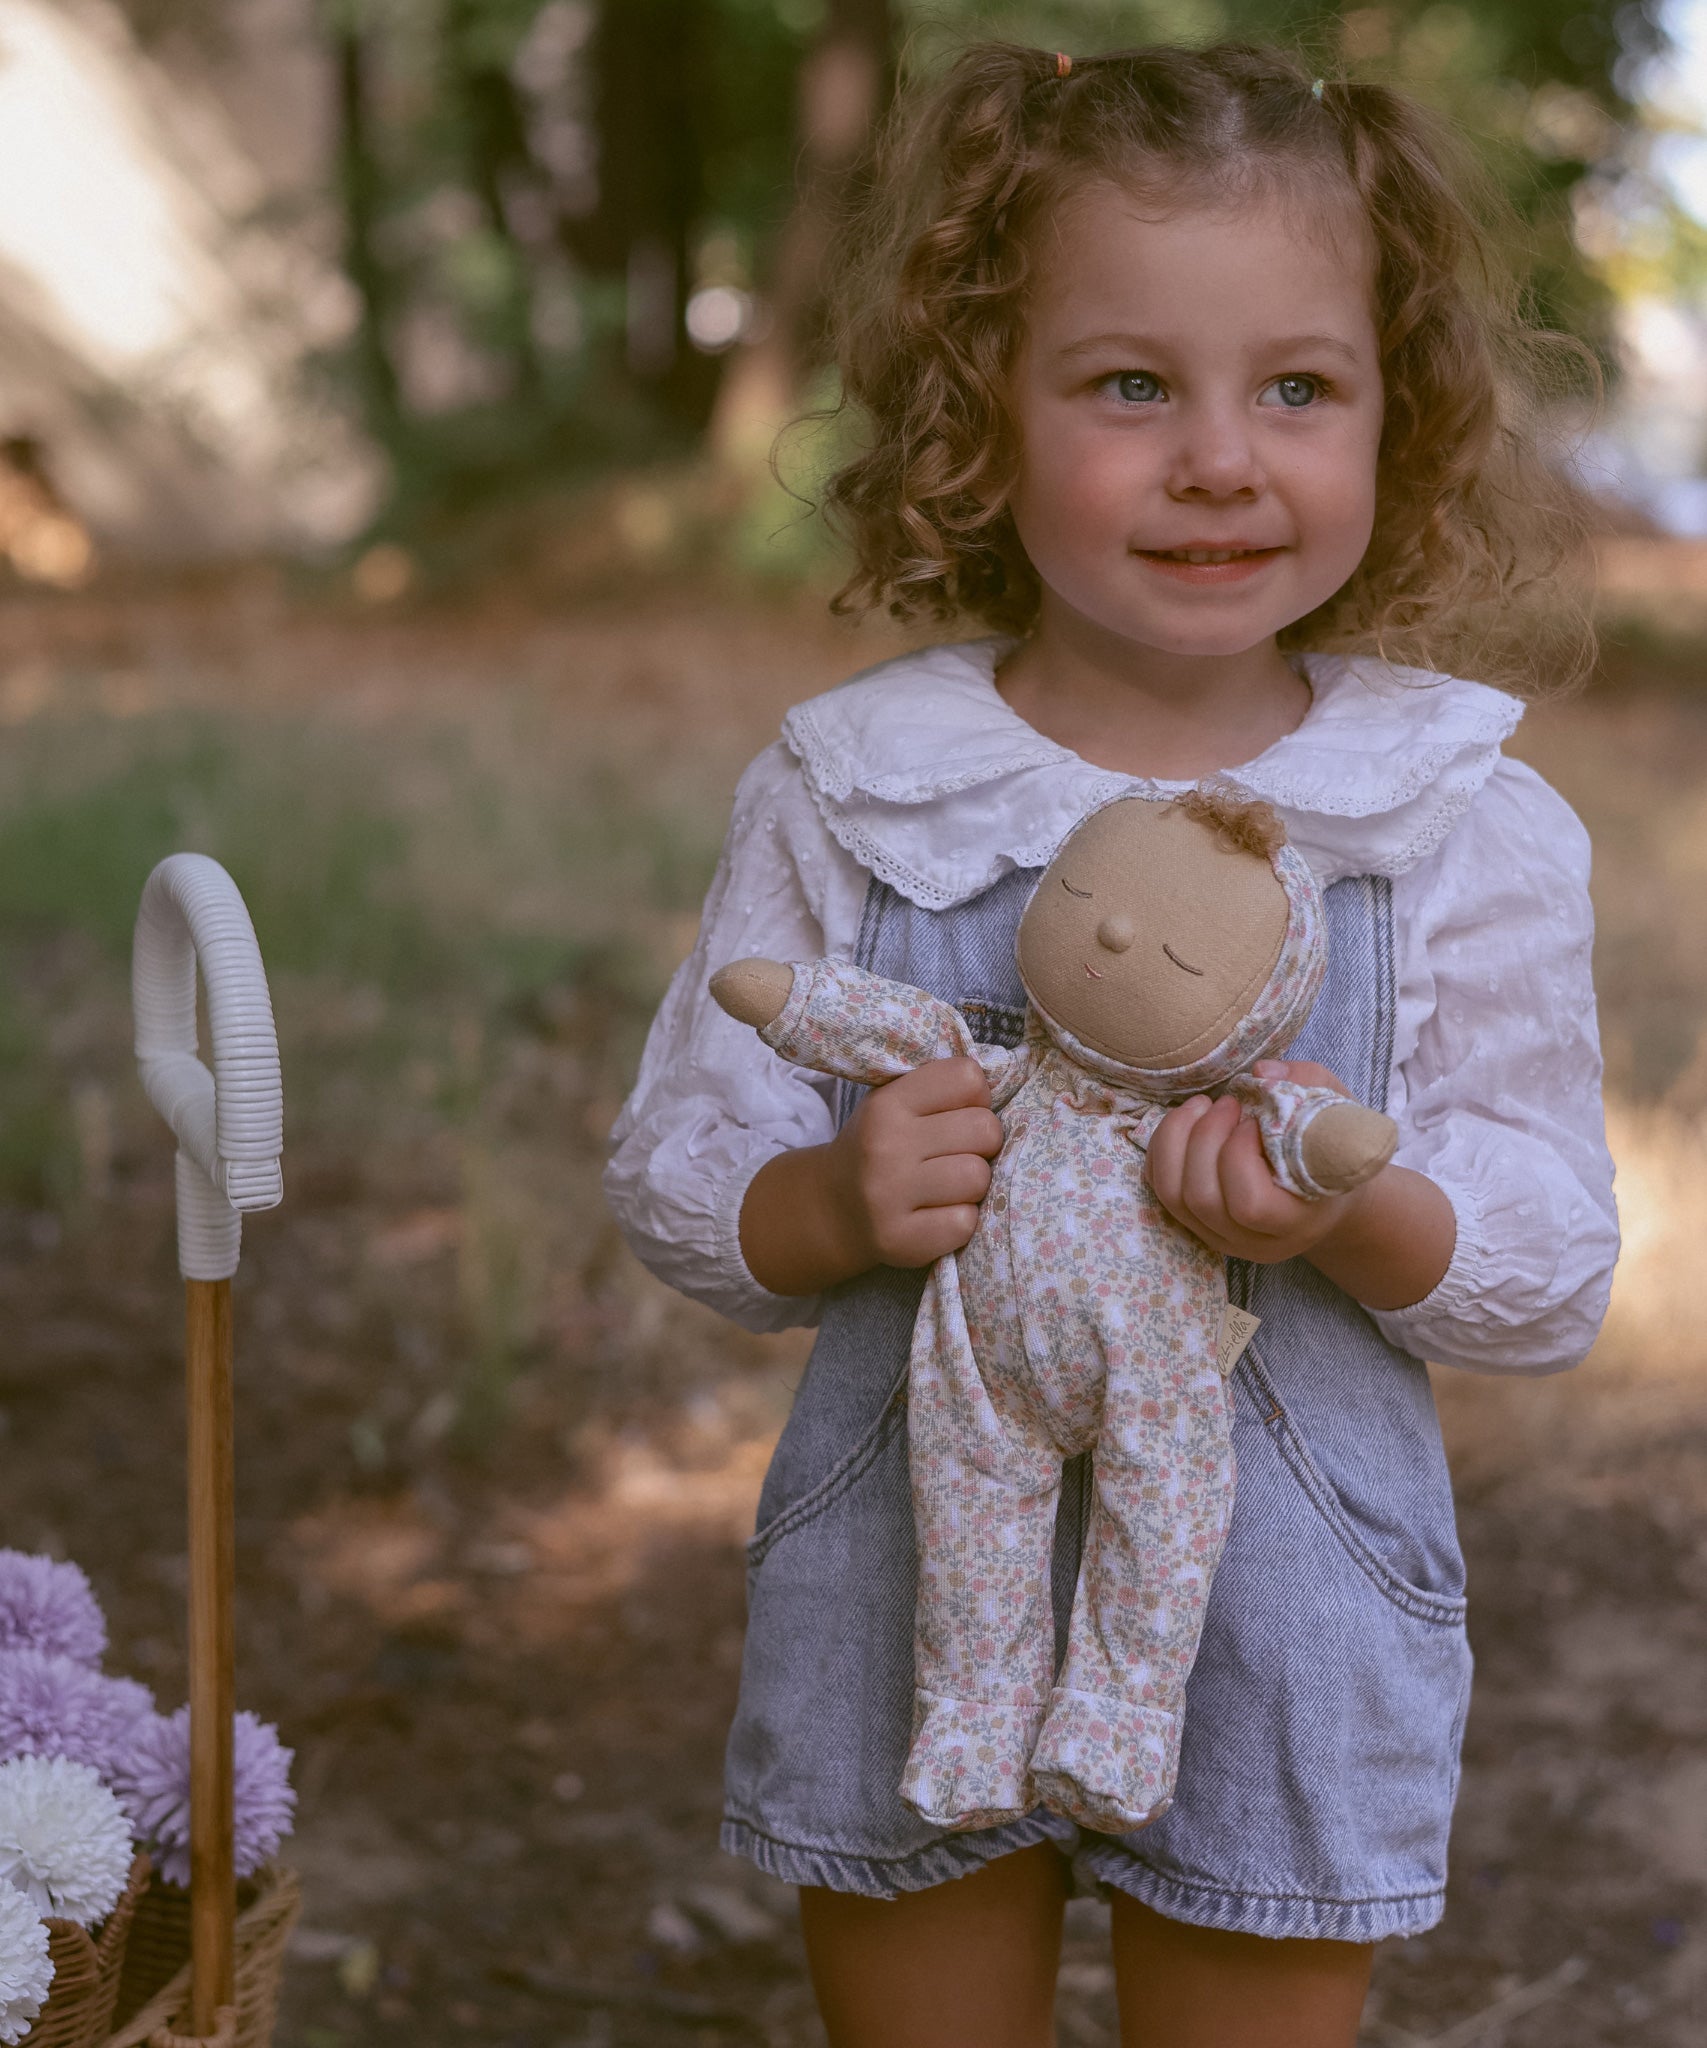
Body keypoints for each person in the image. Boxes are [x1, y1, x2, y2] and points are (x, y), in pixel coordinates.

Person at [604, 40, 1619, 2048]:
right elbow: (676, 1171)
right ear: (984, 411)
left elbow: (1548, 1262)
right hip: (912, 1592)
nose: (1218, 457)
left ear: (1392, 415)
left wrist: (1364, 1209)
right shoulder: (862, 785)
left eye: (1297, 387)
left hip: (1281, 1595)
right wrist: (822, 1201)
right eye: (1129, 383)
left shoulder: (1447, 815)